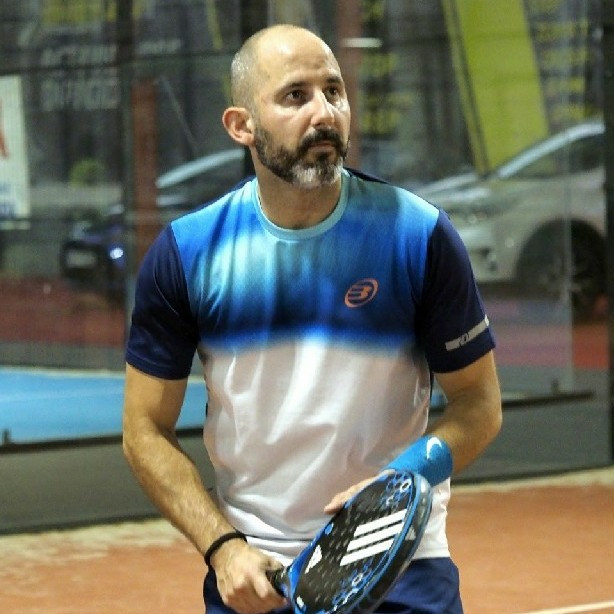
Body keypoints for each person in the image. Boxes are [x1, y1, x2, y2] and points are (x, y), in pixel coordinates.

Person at [122, 23, 502, 614]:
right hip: (256, 572)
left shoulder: (419, 234)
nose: (324, 113)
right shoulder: (186, 254)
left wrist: (402, 481)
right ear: (241, 125)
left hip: (399, 566)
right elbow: (144, 430)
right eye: (295, 96)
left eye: (334, 91)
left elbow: (479, 403)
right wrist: (222, 548)